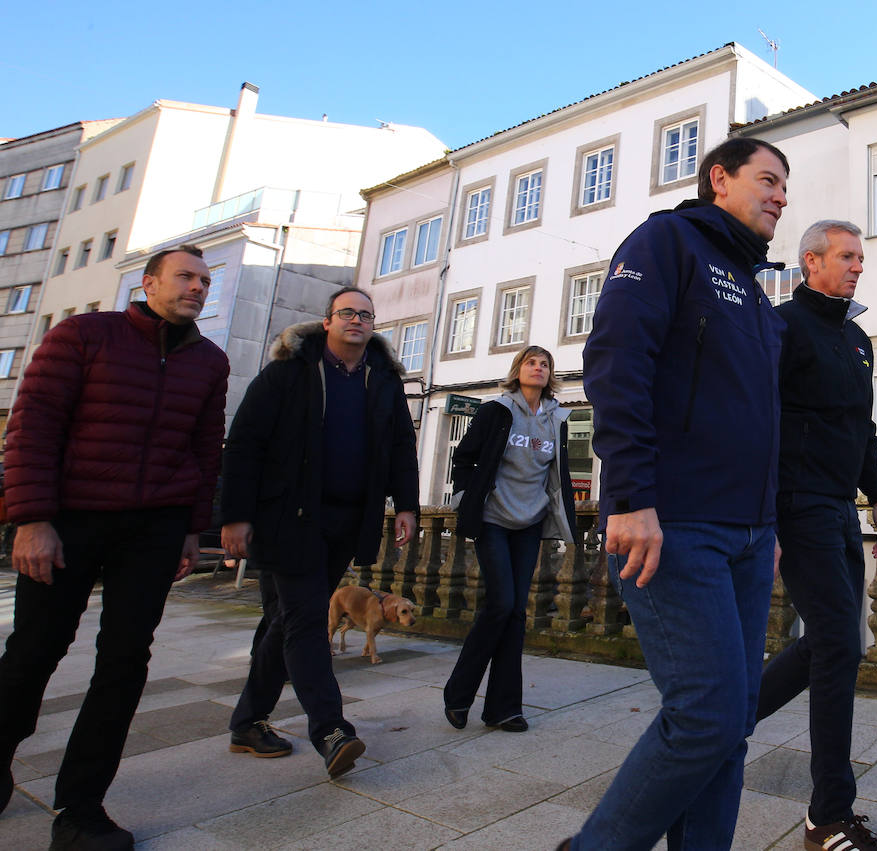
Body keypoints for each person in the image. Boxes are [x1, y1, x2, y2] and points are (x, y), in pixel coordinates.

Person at [565, 137, 789, 851]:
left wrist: (770, 520)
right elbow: (616, 361)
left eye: (787, 186)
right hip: (675, 521)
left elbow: (759, 415)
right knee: (705, 714)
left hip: (749, 534)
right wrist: (627, 494)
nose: (782, 195)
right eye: (769, 179)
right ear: (719, 178)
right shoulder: (668, 241)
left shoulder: (754, 290)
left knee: (733, 722)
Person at [0, 246, 229, 849]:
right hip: (70, 519)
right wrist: (31, 518)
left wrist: (190, 529)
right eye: (186, 277)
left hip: (154, 527)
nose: (198, 288)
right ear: (149, 283)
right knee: (33, 651)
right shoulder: (83, 335)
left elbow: (206, 451)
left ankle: (81, 808)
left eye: (206, 280)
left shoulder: (210, 361)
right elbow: (33, 424)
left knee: (125, 662)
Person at [220, 287, 419, 780]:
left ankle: (247, 722)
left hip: (348, 519)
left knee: (288, 620)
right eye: (347, 312)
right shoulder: (291, 371)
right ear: (326, 321)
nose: (357, 319)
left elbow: (400, 445)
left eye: (366, 314)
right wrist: (233, 515)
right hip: (290, 517)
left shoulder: (383, 380)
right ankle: (331, 730)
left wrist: (407, 504)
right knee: (308, 619)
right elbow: (244, 443)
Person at [755, 220, 877, 851]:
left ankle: (727, 720)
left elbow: (860, 425)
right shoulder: (782, 327)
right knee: (838, 642)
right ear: (810, 262)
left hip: (838, 505)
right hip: (795, 503)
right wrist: (767, 516)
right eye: (846, 256)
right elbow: (760, 422)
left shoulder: (858, 338)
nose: (857, 266)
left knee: (836, 641)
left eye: (861, 258)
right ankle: (828, 817)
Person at [442, 345, 576, 733]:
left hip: (530, 521)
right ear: (518, 370)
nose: (538, 368)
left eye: (545, 364)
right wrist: (467, 499)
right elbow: (463, 458)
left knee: (517, 611)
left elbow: (557, 472)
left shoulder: (557, 419)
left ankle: (504, 708)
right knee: (500, 604)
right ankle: (459, 693)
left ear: (551, 375)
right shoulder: (496, 411)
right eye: (532, 362)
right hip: (493, 519)